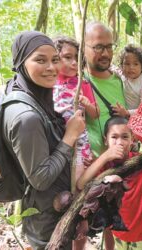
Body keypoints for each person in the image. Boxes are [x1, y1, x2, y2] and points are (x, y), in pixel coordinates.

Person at [2, 31, 85, 249]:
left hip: (49, 211)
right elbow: (40, 178)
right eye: (40, 60)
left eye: (54, 59)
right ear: (21, 62)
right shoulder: (26, 116)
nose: (51, 67)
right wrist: (70, 136)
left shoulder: (30, 95)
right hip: (46, 221)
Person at [77, 116, 142, 250]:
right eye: (114, 137)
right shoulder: (104, 166)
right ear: (106, 140)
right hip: (118, 231)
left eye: (125, 137)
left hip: (141, 230)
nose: (120, 142)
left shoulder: (141, 162)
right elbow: (81, 184)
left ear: (132, 139)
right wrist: (104, 157)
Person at [53, 36, 99, 180]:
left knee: (79, 182)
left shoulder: (82, 84)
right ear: (55, 58)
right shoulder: (49, 82)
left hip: (79, 145)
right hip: (55, 143)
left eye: (76, 58)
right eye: (67, 57)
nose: (74, 63)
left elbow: (96, 113)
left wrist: (86, 103)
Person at [84, 21, 127, 157]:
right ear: (83, 49)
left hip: (124, 165)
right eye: (98, 47)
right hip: (92, 169)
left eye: (109, 47)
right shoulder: (77, 82)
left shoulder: (120, 80)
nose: (105, 54)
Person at [110, 44, 142, 118]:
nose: (131, 67)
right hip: (123, 114)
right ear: (122, 65)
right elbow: (112, 68)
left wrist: (127, 113)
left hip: (137, 118)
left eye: (135, 64)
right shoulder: (123, 74)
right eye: (127, 64)